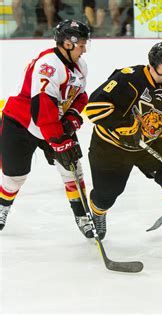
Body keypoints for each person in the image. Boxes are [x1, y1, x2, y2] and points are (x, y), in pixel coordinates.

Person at [84, 42, 162, 252]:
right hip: (110, 148)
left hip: (144, 148)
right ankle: (98, 212)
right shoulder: (128, 78)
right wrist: (127, 128)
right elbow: (95, 107)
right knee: (107, 195)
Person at [0, 20, 92, 238]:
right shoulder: (48, 65)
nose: (85, 48)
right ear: (68, 44)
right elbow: (42, 107)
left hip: (52, 122)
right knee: (15, 177)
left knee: (72, 170)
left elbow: (80, 96)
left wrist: (72, 118)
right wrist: (59, 140)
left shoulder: (80, 66)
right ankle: (2, 208)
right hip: (21, 122)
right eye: (81, 43)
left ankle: (83, 216)